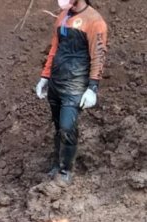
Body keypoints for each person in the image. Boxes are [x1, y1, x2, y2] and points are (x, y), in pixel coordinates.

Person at [35, 0, 108, 184]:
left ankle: (66, 170)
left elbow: (98, 56)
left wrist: (92, 88)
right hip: (56, 81)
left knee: (68, 127)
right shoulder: (62, 17)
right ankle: (56, 164)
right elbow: (54, 48)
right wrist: (45, 76)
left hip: (75, 85)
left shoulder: (94, 21)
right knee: (59, 126)